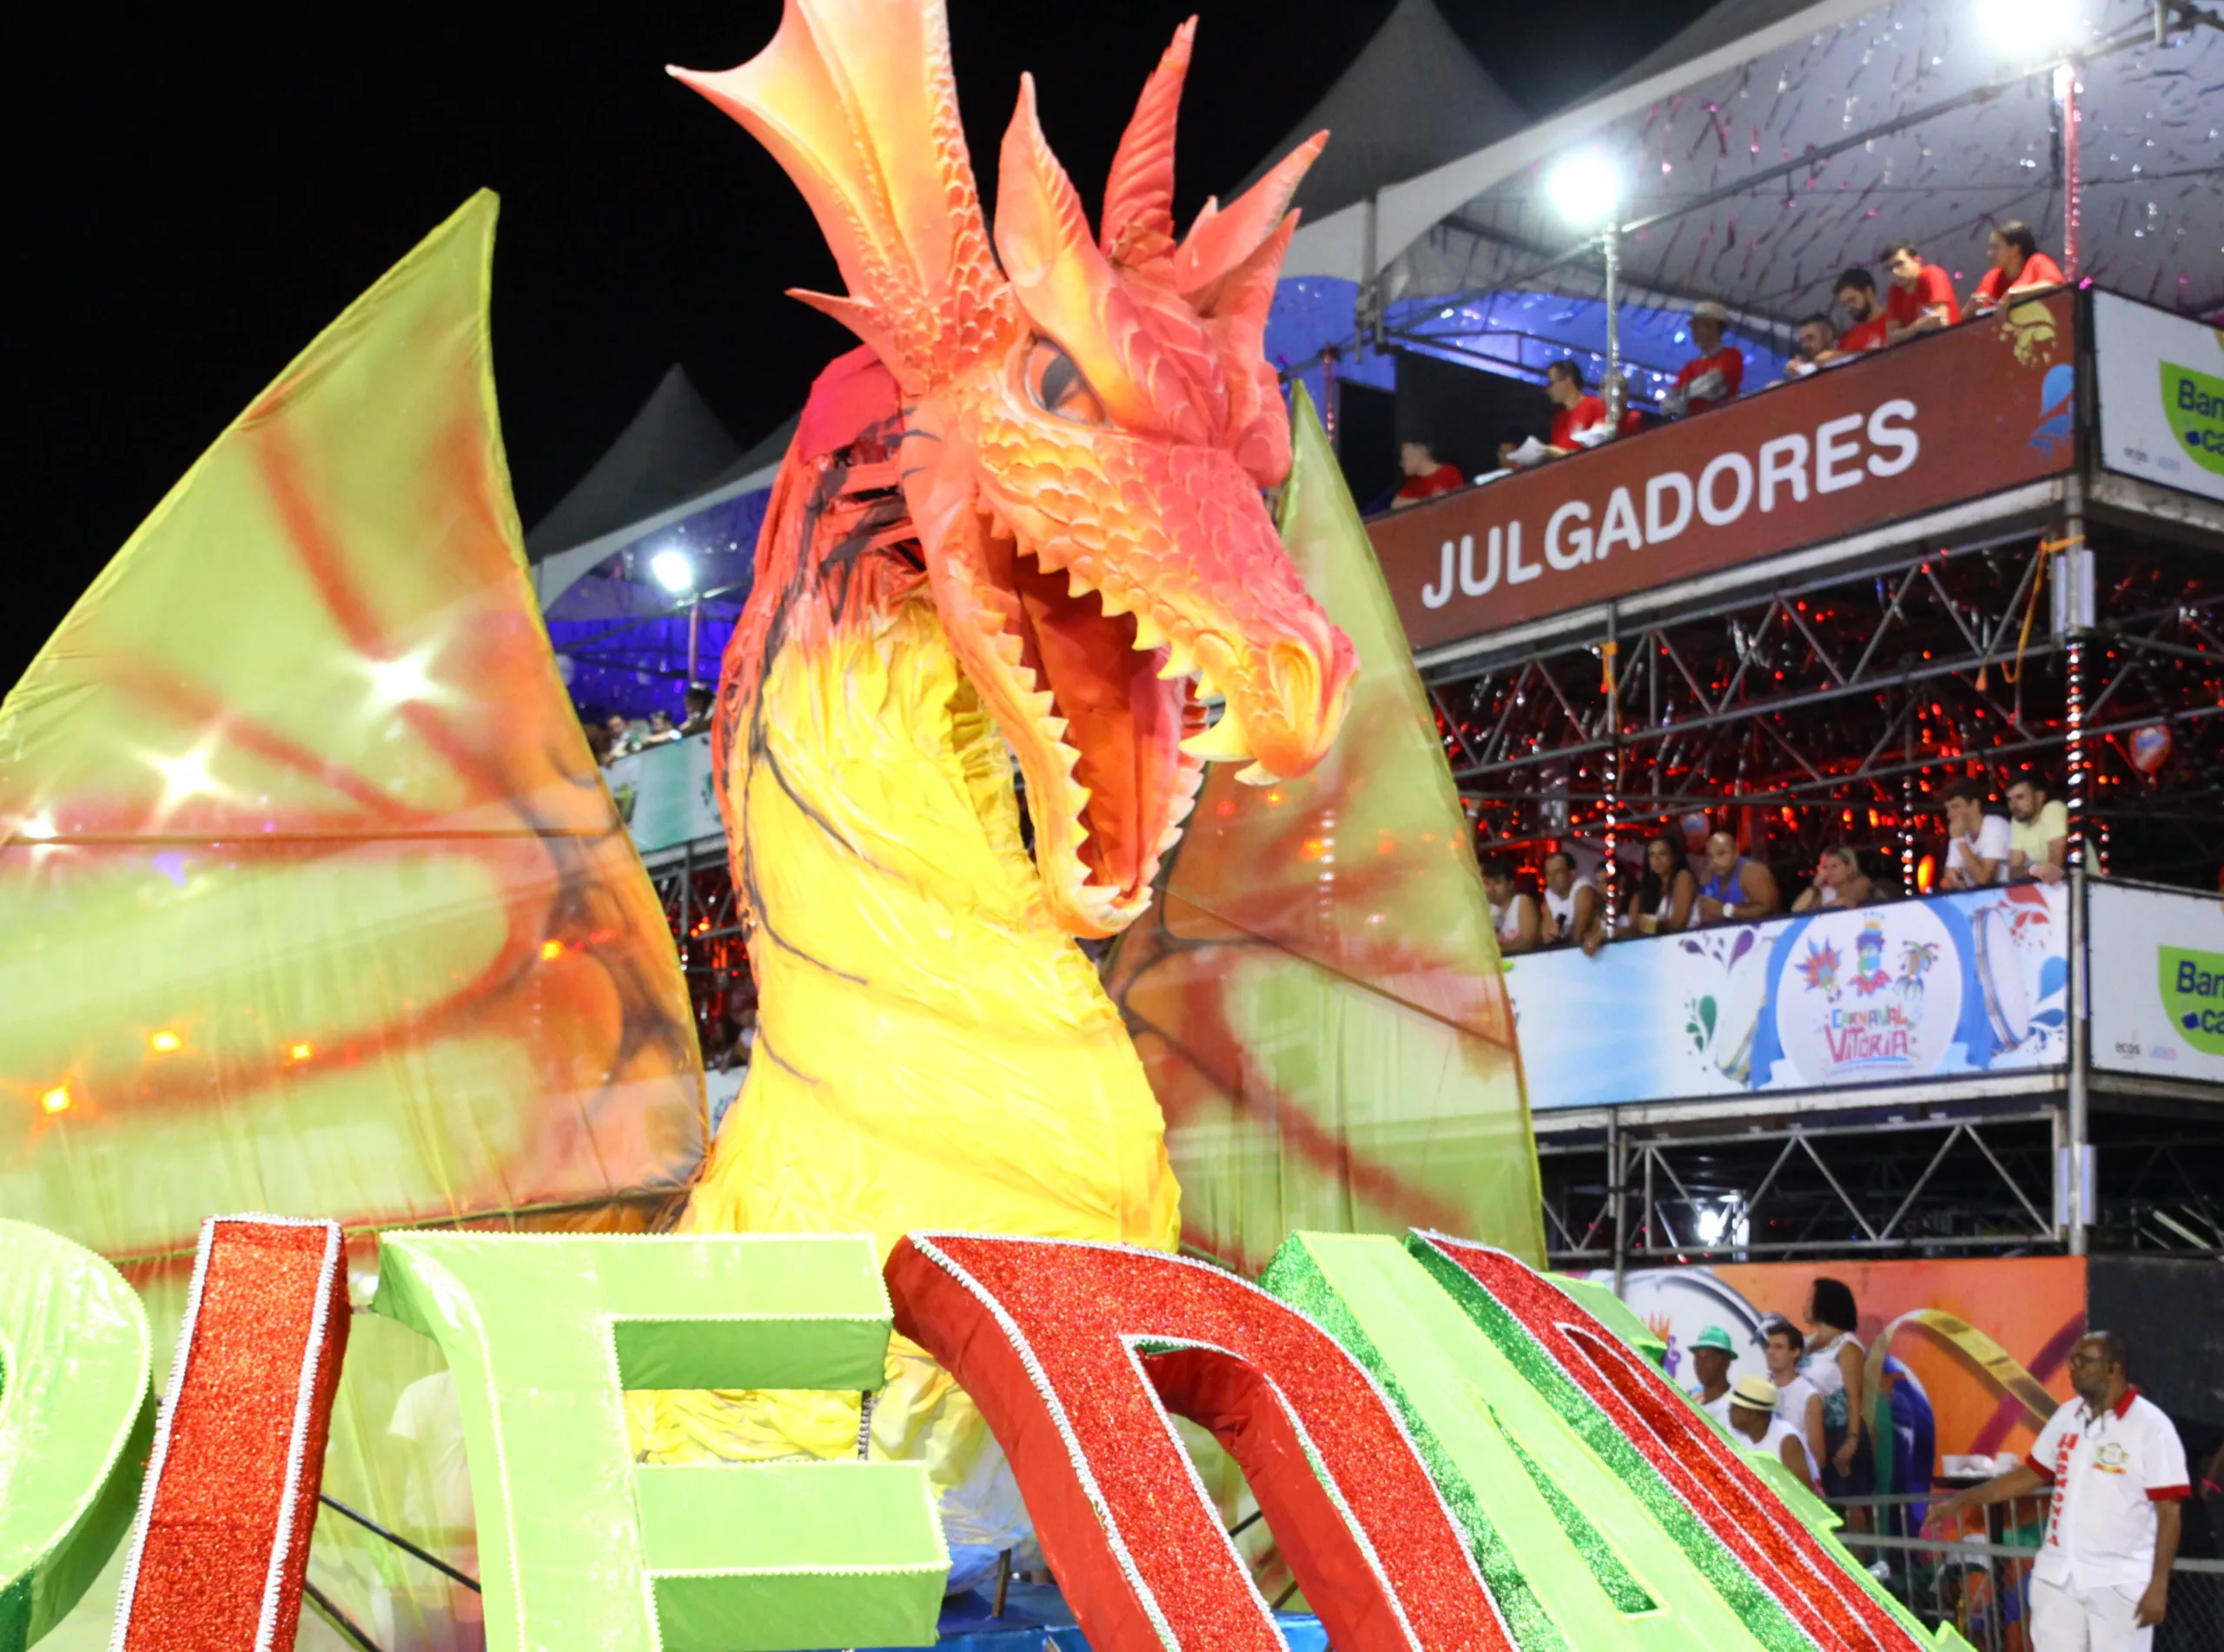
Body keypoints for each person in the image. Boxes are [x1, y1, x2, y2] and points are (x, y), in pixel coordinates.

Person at [1926, 1332, 2188, 1649]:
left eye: (2085, 1361)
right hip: (2058, 1576)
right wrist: (1963, 1500)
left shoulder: (2151, 1427)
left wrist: (2159, 1584)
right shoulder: (2067, 1417)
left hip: (2118, 1582)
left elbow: (2169, 1510)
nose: (2074, 1368)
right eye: (2072, 1360)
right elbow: (2029, 1475)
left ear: (2114, 1368)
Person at [1804, 1277, 1872, 1519]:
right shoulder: (1806, 1343)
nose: (1804, 1305)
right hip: (1812, 1433)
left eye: (1810, 1299)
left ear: (1825, 1304)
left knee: (1849, 1504)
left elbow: (1855, 1395)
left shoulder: (1847, 1345)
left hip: (1840, 1432)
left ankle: (1861, 1557)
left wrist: (1852, 1440)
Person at [1764, 1320, 1828, 1487]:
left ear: (1795, 1352)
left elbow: (1817, 1457)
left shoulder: (1809, 1395)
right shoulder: (1760, 1390)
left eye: (1778, 1347)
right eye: (1769, 1346)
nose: (1770, 1352)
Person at [1728, 1376, 1820, 1490]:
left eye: (1735, 1407)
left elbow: (1804, 1494)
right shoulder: (1738, 1435)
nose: (1730, 1411)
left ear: (1752, 1413)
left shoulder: (1787, 1441)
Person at [1969, 220, 2067, 315]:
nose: (1989, 254)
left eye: (1995, 248)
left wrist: (2015, 294)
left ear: (2015, 249)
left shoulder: (2037, 261)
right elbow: (1967, 317)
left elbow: (2056, 286)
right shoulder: (1991, 277)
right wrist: (1970, 309)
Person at [1667, 301, 1744, 413]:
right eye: (1693, 328)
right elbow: (1667, 405)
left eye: (1699, 327)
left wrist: (1682, 394)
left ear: (1713, 327)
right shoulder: (1690, 366)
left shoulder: (1732, 356)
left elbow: (1711, 386)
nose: (1694, 333)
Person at [1940, 777, 2012, 889]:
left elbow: (1983, 879)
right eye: (1948, 809)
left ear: (1975, 804)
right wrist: (1950, 883)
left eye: (1956, 807)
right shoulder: (1958, 836)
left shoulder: (1996, 825)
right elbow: (1948, 879)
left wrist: (1959, 840)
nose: (1950, 815)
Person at [1883, 240, 1961, 342]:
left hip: (1951, 342)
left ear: (1917, 260)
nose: (1895, 272)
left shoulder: (1933, 274)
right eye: (1890, 268)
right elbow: (1891, 337)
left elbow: (1939, 320)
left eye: (1899, 264)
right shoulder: (1894, 291)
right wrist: (1917, 327)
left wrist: (1906, 332)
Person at [1697, 830, 1779, 925]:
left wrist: (1726, 911)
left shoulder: (1752, 871)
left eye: (1721, 853)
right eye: (1710, 856)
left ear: (1735, 852)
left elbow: (1768, 911)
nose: (1714, 861)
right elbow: (1704, 914)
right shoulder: (1707, 875)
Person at [1622, 833, 1698, 936]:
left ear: (1673, 856)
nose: (1656, 859)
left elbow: (1678, 923)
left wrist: (1653, 925)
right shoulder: (1646, 892)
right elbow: (1635, 929)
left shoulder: (1683, 877)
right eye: (1652, 855)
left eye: (1662, 854)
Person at [2007, 770, 2070, 884]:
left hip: (2088, 886)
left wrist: (2035, 871)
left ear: (2040, 797)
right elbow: (2013, 872)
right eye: (2010, 800)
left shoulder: (2053, 809)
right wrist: (2033, 870)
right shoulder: (2017, 821)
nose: (2014, 806)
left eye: (2020, 797)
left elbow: (2055, 869)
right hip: (2057, 888)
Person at [1539, 849, 1602, 951]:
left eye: (1557, 872)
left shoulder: (1583, 888)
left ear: (1572, 874)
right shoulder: (1549, 894)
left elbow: (1578, 934)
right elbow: (1546, 936)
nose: (1551, 878)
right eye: (1548, 873)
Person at [1482, 854, 1541, 955]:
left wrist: (1495, 952)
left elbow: (1527, 941)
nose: (1491, 889)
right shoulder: (1488, 910)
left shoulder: (1522, 901)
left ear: (1510, 883)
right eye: (1487, 883)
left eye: (1497, 882)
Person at [1792, 846, 1872, 913]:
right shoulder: (1826, 891)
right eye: (1825, 867)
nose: (1828, 872)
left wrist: (1824, 907)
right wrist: (1815, 885)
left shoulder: (1862, 882)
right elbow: (1796, 910)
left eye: (1834, 866)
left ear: (1849, 868)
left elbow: (1849, 901)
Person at [1392, 438, 1466, 508]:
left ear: (1417, 457)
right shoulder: (1413, 484)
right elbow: (1396, 504)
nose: (1402, 463)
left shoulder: (1449, 472)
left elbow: (1462, 500)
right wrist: (1427, 501)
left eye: (1405, 458)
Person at [1686, 1325, 1737, 1424]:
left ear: (1726, 1362)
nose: (1700, 1363)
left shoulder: (1736, 1409)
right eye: (1698, 1356)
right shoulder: (1692, 1402)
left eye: (1707, 1356)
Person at [1833, 268, 1890, 354]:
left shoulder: (1895, 321)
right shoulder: (1847, 339)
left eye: (1852, 300)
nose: (1849, 308)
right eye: (1845, 304)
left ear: (1868, 291)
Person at [1785, 313, 1843, 378]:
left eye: (1810, 338)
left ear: (1828, 335)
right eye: (1802, 341)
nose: (1805, 345)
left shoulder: (1847, 355)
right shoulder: (1806, 364)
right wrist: (1799, 370)